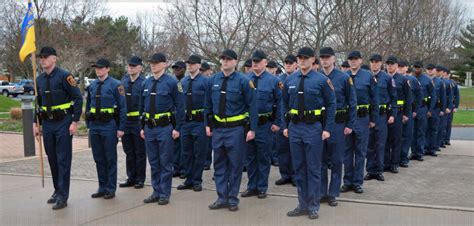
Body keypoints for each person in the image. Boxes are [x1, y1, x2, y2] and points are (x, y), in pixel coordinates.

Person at [282, 47, 336, 219]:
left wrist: (327, 128)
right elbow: (283, 104)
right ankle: (302, 204)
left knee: (313, 168)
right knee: (299, 168)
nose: (302, 60)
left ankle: (313, 206)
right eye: (300, 57)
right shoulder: (290, 79)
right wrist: (285, 126)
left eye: (306, 58)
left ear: (313, 59)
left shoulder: (322, 80)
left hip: (313, 128)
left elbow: (331, 103)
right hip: (295, 129)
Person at [206, 49, 257, 212]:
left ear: (235, 62)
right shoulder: (212, 80)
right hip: (218, 129)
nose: (225, 62)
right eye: (223, 59)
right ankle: (222, 198)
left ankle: (233, 199)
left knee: (235, 166)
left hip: (236, 130)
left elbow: (252, 106)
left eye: (228, 59)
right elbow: (207, 104)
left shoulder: (244, 81)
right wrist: (208, 124)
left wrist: (252, 129)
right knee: (219, 165)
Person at [33, 46, 83, 210]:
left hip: (63, 123)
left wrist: (75, 121)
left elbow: (78, 97)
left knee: (63, 160)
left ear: (54, 58)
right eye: (41, 57)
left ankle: (63, 196)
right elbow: (38, 104)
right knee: (52, 159)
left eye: (46, 57)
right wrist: (35, 123)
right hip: (47, 124)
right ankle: (57, 190)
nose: (42, 60)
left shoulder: (65, 76)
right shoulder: (38, 80)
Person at [141, 53, 185, 205]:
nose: (153, 65)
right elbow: (143, 107)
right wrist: (142, 127)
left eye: (157, 62)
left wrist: (177, 128)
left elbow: (180, 106)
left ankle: (165, 193)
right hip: (149, 127)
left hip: (165, 127)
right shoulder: (146, 83)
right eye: (151, 62)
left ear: (165, 64)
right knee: (153, 162)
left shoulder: (172, 83)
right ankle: (156, 191)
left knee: (165, 162)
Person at [318, 47, 356, 207]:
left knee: (336, 160)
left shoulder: (344, 78)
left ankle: (333, 193)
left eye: (328, 57)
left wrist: (350, 124)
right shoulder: (316, 77)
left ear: (334, 59)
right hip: (319, 124)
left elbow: (352, 102)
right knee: (319, 160)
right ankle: (321, 193)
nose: (325, 60)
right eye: (322, 57)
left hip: (338, 125)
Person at [241, 50, 281, 199]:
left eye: (258, 61)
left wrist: (278, 122)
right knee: (250, 157)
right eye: (253, 61)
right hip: (248, 124)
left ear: (265, 62)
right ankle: (252, 186)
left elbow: (280, 102)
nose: (255, 63)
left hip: (265, 125)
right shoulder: (245, 79)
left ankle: (262, 187)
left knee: (263, 157)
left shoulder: (274, 81)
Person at [86, 58, 126, 200]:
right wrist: (88, 124)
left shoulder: (116, 85)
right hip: (95, 126)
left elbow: (122, 107)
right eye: (97, 68)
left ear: (108, 69)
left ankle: (110, 188)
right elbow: (88, 105)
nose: (98, 70)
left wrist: (121, 128)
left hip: (109, 125)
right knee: (98, 158)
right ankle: (102, 187)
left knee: (110, 158)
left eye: (101, 68)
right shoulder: (92, 85)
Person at [341, 51, 378, 194]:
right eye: (350, 59)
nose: (353, 61)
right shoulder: (343, 76)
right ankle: (347, 181)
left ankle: (357, 182)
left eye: (355, 59)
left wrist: (373, 119)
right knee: (347, 152)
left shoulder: (368, 76)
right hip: (346, 119)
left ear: (361, 61)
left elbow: (374, 99)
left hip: (362, 118)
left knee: (361, 152)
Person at [176, 54, 209, 192]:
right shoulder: (181, 82)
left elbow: (209, 103)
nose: (190, 65)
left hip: (199, 122)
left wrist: (208, 123)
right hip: (185, 122)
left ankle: (197, 180)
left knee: (199, 152)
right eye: (188, 63)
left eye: (193, 63)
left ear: (199, 66)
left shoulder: (205, 82)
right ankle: (188, 179)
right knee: (186, 152)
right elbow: (178, 103)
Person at [365, 54, 397, 181]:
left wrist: (393, 114)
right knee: (369, 144)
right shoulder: (366, 77)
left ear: (381, 63)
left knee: (380, 143)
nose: (374, 64)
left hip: (382, 115)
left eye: (377, 62)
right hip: (367, 115)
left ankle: (379, 170)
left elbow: (394, 98)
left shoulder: (387, 78)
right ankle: (370, 170)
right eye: (372, 62)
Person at [119, 56, 146, 189]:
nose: (131, 68)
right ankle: (131, 177)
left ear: (140, 67)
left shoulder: (144, 82)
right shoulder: (123, 81)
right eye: (129, 66)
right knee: (128, 151)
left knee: (140, 151)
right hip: (126, 121)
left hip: (138, 121)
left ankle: (140, 179)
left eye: (134, 66)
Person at [383, 56, 412, 173]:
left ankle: (394, 163)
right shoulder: (382, 78)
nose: (390, 66)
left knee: (396, 139)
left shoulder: (403, 80)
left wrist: (406, 113)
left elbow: (408, 98)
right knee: (384, 139)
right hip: (384, 113)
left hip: (398, 113)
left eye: (392, 64)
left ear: (396, 65)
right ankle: (385, 163)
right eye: (388, 64)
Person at [275, 54, 298, 186]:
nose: (287, 65)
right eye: (286, 63)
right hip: (281, 118)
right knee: (282, 148)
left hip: (295, 119)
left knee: (294, 149)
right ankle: (285, 175)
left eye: (290, 62)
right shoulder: (279, 79)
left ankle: (295, 175)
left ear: (296, 64)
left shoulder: (299, 78)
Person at [410, 61, 436, 161]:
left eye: (418, 67)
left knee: (421, 131)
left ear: (422, 68)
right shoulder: (410, 79)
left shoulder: (427, 80)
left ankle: (419, 152)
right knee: (412, 131)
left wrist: (430, 110)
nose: (416, 69)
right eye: (415, 67)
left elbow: (433, 95)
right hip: (412, 108)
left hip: (422, 108)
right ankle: (413, 152)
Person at [399, 60, 421, 167]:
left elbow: (419, 96)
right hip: (396, 111)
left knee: (407, 135)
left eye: (402, 66)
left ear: (407, 68)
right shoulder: (392, 79)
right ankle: (394, 158)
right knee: (395, 137)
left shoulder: (412, 80)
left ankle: (403, 158)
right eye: (398, 66)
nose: (400, 68)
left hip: (408, 111)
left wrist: (415, 110)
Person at [424, 64, 445, 157]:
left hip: (435, 109)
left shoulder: (439, 82)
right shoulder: (423, 80)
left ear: (435, 70)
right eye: (428, 69)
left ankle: (432, 148)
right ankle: (424, 148)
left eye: (431, 69)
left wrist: (442, 109)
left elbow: (443, 96)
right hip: (425, 107)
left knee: (433, 129)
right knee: (424, 129)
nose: (430, 71)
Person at [171, 60, 187, 178]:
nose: (176, 70)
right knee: (175, 146)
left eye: (179, 68)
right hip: (173, 117)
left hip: (183, 117)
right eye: (175, 68)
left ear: (184, 69)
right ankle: (176, 168)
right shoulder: (172, 82)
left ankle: (183, 169)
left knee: (183, 145)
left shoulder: (185, 82)